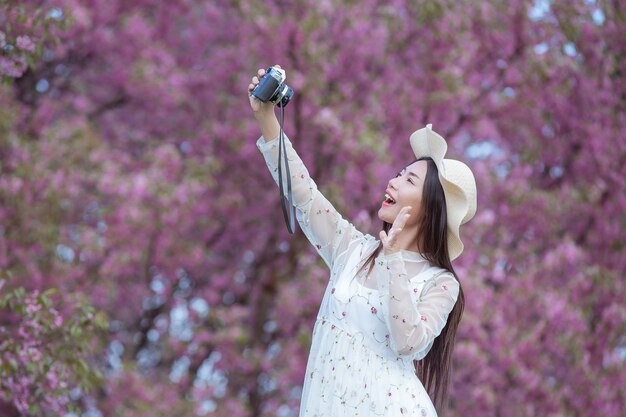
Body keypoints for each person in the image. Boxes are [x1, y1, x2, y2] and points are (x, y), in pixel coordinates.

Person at [248, 65, 477, 417]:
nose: (394, 181)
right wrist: (266, 117)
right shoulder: (352, 249)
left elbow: (409, 342)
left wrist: (395, 257)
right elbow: (304, 195)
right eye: (399, 173)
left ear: (430, 208)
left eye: (409, 180)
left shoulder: (441, 284)